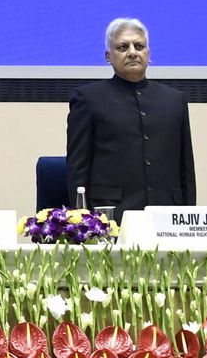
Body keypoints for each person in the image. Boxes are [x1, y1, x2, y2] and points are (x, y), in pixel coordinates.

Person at [65, 18, 195, 212]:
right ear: (108, 56)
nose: (133, 52)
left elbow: (186, 169)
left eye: (139, 46)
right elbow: (78, 167)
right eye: (123, 47)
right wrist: (83, 219)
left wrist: (188, 215)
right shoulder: (88, 99)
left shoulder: (175, 100)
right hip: (111, 214)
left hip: (166, 213)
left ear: (148, 54)